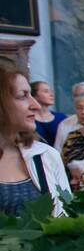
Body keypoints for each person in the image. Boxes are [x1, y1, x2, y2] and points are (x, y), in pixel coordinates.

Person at [0, 68, 70, 216]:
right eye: (22, 96)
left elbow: (65, 219)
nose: (35, 105)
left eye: (31, 94)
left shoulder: (46, 155)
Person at [31, 81, 66, 147]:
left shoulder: (62, 118)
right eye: (46, 91)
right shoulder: (28, 119)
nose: (51, 95)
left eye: (51, 91)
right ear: (34, 95)